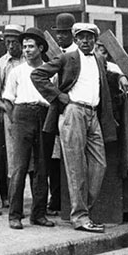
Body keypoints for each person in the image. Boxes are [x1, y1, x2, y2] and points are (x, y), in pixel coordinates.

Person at [31, 23, 128, 233]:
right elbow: (38, 75)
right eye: (81, 37)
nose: (86, 41)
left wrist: (121, 77)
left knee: (99, 164)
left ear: (95, 40)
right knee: (75, 168)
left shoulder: (99, 60)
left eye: (90, 37)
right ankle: (80, 217)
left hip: (93, 114)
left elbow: (112, 71)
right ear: (75, 40)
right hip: (73, 112)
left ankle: (83, 210)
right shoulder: (67, 58)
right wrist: (58, 96)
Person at [2, 29, 54, 230]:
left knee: (42, 167)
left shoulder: (50, 71)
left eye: (31, 46)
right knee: (19, 167)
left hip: (44, 114)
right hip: (22, 115)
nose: (26, 50)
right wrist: (15, 121)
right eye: (24, 47)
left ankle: (38, 214)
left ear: (40, 48)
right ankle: (15, 215)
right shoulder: (16, 72)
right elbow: (8, 100)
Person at [0, 24, 25, 211]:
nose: (11, 46)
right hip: (10, 116)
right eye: (8, 42)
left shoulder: (31, 60)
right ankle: (12, 202)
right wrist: (9, 110)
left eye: (15, 42)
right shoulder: (0, 65)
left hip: (32, 113)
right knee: (13, 160)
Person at [46, 13, 77, 215]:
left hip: (72, 108)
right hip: (56, 110)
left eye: (65, 33)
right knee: (54, 157)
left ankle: (68, 202)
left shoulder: (77, 54)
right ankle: (56, 198)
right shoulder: (54, 53)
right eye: (59, 33)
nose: (61, 36)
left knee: (71, 156)